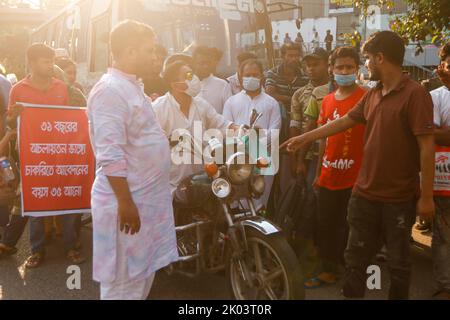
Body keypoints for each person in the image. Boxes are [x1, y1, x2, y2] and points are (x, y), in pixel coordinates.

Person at [282, 31, 435, 300]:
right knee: (356, 259)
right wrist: (304, 138)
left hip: (398, 198)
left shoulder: (415, 94)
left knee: (398, 264)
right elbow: (342, 122)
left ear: (380, 58)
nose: (365, 65)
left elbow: (426, 147)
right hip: (364, 194)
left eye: (367, 59)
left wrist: (426, 198)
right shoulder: (374, 94)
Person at [87, 20, 178, 300]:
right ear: (129, 51)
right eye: (149, 51)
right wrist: (125, 203)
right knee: (123, 287)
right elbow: (110, 155)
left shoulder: (131, 86)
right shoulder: (110, 91)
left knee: (140, 279)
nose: (156, 57)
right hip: (127, 205)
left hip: (145, 203)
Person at [1, 44, 85, 268]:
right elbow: (9, 122)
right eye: (46, 61)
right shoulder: (18, 89)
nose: (51, 65)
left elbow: (71, 120)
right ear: (32, 63)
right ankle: (37, 251)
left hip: (62, 155)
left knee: (69, 199)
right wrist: (14, 116)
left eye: (51, 61)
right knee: (37, 203)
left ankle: (72, 246)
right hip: (34, 158)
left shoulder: (61, 87)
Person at [311, 47, 366, 287]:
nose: (344, 71)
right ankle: (328, 269)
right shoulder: (327, 101)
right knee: (326, 225)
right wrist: (317, 173)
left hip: (356, 177)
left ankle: (352, 271)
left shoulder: (367, 98)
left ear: (357, 69)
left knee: (352, 226)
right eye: (340, 67)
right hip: (328, 175)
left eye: (349, 67)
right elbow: (323, 139)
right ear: (332, 70)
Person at [153, 60, 239, 194]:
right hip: (170, 184)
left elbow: (222, 124)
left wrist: (241, 129)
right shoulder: (159, 108)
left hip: (202, 179)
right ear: (175, 84)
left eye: (193, 75)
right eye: (188, 76)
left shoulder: (201, 105)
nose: (194, 79)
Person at [288, 47, 330, 283]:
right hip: (312, 156)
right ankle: (309, 254)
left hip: (337, 158)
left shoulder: (337, 90)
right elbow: (297, 125)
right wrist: (298, 160)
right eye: (309, 65)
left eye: (317, 64)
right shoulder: (299, 94)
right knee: (309, 204)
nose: (312, 68)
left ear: (327, 64)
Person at [223, 59, 281, 209]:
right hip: (238, 161)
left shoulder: (271, 103)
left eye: (255, 74)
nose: (251, 77)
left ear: (262, 75)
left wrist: (254, 141)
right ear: (241, 77)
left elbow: (274, 132)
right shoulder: (231, 102)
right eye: (247, 74)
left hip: (264, 160)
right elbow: (227, 129)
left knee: (260, 199)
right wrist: (245, 140)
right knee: (238, 201)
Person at [430, 42, 450, 300]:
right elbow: (430, 134)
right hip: (444, 178)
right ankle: (445, 286)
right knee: (444, 235)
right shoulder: (436, 97)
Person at [192, 46, 232, 114]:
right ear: (194, 63)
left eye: (208, 63)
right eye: (202, 63)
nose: (206, 66)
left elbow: (229, 113)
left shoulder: (222, 85)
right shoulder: (187, 84)